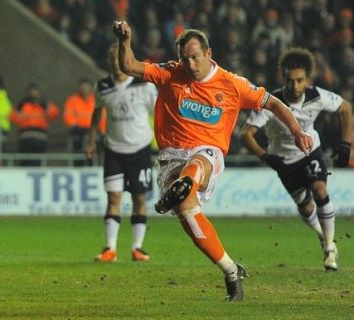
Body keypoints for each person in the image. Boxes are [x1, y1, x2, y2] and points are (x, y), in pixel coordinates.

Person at [112, 21, 313, 301]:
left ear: (209, 54)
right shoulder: (171, 72)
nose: (190, 64)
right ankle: (231, 270)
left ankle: (186, 183)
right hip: (171, 155)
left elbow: (274, 103)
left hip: (208, 152)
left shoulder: (233, 84)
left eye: (195, 57)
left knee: (197, 164)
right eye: (185, 58)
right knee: (187, 212)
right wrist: (125, 41)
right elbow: (129, 66)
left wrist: (297, 131)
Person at [239, 47, 353, 272]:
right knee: (305, 205)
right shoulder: (271, 102)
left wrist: (346, 144)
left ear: (307, 80)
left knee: (320, 190)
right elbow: (245, 134)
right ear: (284, 78)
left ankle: (330, 249)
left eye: (300, 80)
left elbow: (346, 108)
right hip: (283, 161)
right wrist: (266, 157)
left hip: (310, 151)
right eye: (290, 80)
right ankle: (323, 235)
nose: (295, 86)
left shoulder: (317, 96)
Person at [86, 43, 157, 262]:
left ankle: (137, 247)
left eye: (117, 57)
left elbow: (160, 114)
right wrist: (91, 141)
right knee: (113, 198)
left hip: (140, 149)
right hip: (114, 150)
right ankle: (110, 249)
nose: (114, 62)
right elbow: (97, 114)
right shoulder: (103, 86)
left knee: (139, 199)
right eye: (110, 58)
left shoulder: (144, 85)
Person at [10, 83, 59, 166]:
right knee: (25, 162)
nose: (34, 95)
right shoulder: (23, 106)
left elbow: (54, 114)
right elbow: (13, 117)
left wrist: (46, 106)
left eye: (36, 92)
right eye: (32, 92)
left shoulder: (44, 105)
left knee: (38, 162)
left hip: (40, 138)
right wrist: (18, 108)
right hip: (25, 138)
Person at [63, 78, 105, 165]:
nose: (84, 89)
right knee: (83, 140)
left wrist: (102, 130)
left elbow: (102, 117)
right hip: (79, 131)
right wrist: (75, 127)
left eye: (86, 87)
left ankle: (92, 163)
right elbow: (68, 115)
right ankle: (80, 164)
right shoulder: (72, 100)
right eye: (82, 87)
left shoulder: (96, 100)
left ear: (91, 88)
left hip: (94, 132)